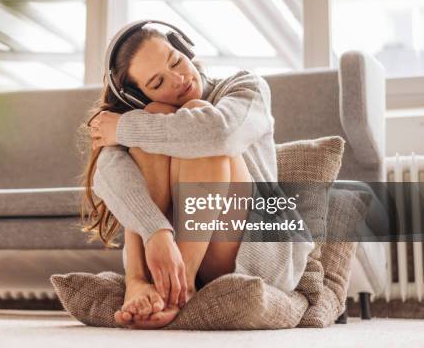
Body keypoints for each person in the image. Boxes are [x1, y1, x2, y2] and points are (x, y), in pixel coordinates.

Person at [79, 20, 313, 329]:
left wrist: (123, 128)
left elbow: (219, 133)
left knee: (196, 115)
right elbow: (107, 177)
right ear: (138, 95)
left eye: (176, 61)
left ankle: (178, 290)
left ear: (184, 47)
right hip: (176, 244)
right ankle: (138, 281)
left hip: (260, 248)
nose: (178, 79)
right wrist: (155, 231)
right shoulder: (145, 114)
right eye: (157, 83)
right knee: (156, 116)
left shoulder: (245, 86)